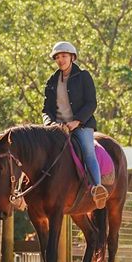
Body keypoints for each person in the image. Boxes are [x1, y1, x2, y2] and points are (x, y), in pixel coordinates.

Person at [42, 41, 107, 209]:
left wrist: (76, 122)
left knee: (87, 151)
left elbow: (91, 103)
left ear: (72, 57)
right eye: (57, 57)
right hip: (56, 128)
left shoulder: (84, 76)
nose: (60, 60)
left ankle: (97, 188)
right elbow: (46, 109)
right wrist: (50, 124)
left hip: (81, 125)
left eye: (64, 56)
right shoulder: (51, 81)